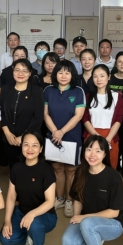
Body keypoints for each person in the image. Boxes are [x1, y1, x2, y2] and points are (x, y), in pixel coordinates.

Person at [62, 135, 123, 245]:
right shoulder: (81, 172)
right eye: (89, 149)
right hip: (88, 222)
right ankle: (95, 239)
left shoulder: (113, 177)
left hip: (113, 223)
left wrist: (83, 218)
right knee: (67, 242)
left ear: (104, 154)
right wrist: (76, 218)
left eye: (98, 151)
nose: (92, 154)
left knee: (87, 223)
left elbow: (114, 212)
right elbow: (78, 199)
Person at [0, 131, 57, 245]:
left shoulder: (46, 170)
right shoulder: (17, 168)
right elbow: (11, 197)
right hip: (21, 212)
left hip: (45, 215)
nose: (30, 149)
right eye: (26, 145)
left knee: (35, 223)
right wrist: (7, 221)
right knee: (5, 239)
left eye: (34, 145)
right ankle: (30, 236)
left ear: (41, 149)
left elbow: (50, 202)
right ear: (21, 147)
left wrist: (32, 214)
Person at [43, 60, 86, 218]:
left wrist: (62, 132)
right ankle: (59, 198)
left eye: (67, 72)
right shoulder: (48, 90)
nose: (63, 76)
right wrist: (55, 132)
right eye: (60, 72)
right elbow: (45, 114)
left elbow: (78, 116)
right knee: (57, 169)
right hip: (53, 135)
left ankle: (69, 200)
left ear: (72, 75)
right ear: (55, 74)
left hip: (71, 136)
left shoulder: (78, 91)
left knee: (71, 170)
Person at [0, 59, 44, 169]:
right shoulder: (6, 89)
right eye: (17, 70)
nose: (20, 73)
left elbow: (38, 118)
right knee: (13, 169)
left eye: (24, 71)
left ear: (30, 73)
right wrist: (7, 133)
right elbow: (0, 112)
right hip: (8, 139)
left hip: (29, 141)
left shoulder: (37, 91)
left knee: (29, 170)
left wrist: (24, 137)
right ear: (13, 71)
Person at [82, 65, 123, 169]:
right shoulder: (88, 97)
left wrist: (108, 139)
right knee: (90, 167)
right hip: (91, 134)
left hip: (110, 136)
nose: (99, 79)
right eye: (95, 76)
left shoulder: (117, 97)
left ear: (108, 77)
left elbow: (119, 119)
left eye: (102, 76)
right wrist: (96, 136)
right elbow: (85, 118)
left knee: (110, 167)